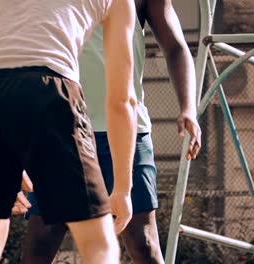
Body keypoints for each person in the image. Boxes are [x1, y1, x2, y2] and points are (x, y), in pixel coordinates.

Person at [14, 0, 202, 263]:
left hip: (125, 132)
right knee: (41, 239)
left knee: (143, 242)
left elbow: (176, 48)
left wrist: (188, 108)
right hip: (58, 129)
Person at [0, 0, 138, 263]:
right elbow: (122, 101)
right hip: (49, 88)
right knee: (99, 245)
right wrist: (123, 188)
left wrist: (11, 148)